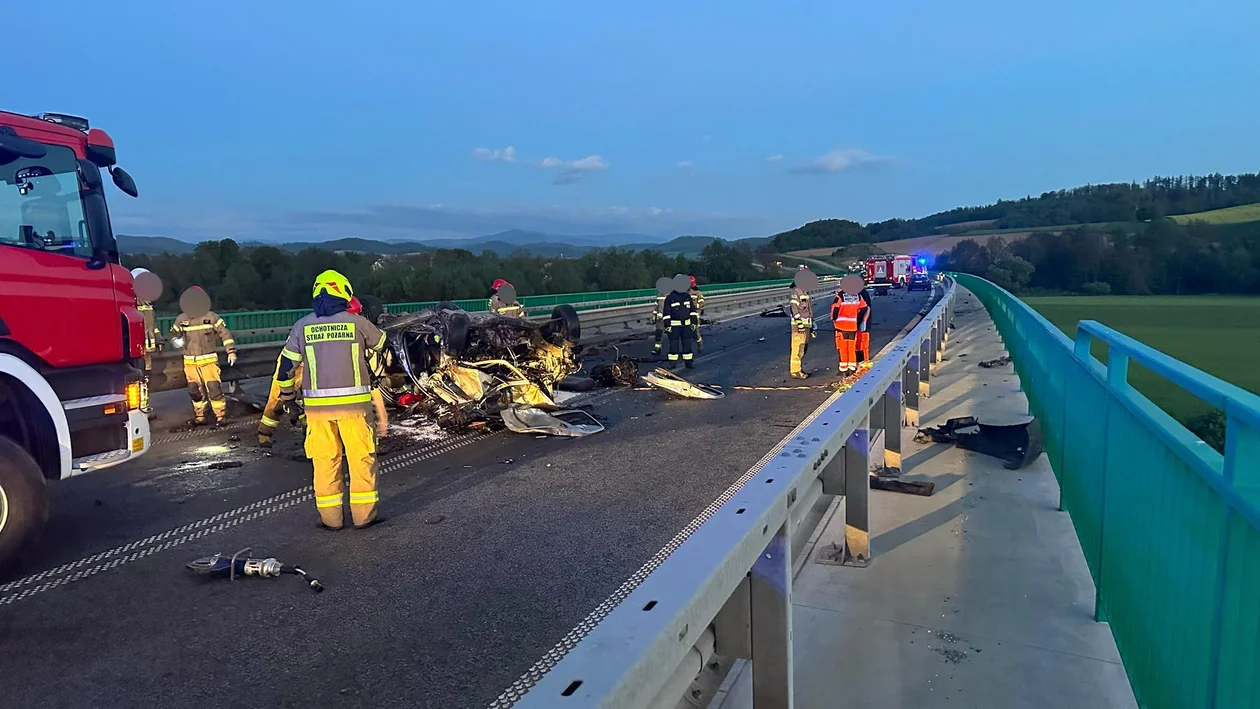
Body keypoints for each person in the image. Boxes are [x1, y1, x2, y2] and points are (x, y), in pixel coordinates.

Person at [276, 271, 388, 530]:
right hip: (355, 410)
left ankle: (331, 520)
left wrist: (288, 398)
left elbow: (285, 368)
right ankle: (364, 517)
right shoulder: (356, 322)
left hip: (317, 413)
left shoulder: (302, 326)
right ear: (344, 293)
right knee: (361, 460)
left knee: (325, 462)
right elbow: (382, 343)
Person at [170, 286, 236, 426]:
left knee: (214, 389)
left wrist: (231, 351)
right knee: (194, 391)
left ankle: (220, 417)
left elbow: (225, 334)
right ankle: (200, 417)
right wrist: (177, 341)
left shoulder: (211, 317)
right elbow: (173, 337)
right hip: (190, 363)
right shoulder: (181, 319)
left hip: (209, 361)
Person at [663, 274, 697, 368]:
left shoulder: (687, 297)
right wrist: (667, 325)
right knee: (674, 345)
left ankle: (689, 362)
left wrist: (694, 323)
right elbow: (666, 314)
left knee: (687, 344)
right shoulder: (670, 298)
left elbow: (692, 312)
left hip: (686, 326)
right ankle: (672, 363)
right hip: (674, 327)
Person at [789, 269, 817, 379]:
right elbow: (794, 308)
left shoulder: (805, 292)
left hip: (806, 325)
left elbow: (808, 310)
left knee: (803, 348)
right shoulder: (796, 292)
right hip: (799, 326)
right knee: (798, 348)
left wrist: (812, 325)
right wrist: (799, 323)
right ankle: (796, 371)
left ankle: (798, 369)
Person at [651, 276, 671, 355]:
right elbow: (656, 306)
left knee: (672, 335)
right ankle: (657, 349)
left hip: (668, 318)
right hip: (660, 320)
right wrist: (654, 316)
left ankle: (673, 349)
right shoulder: (659, 295)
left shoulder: (670, 295)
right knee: (658, 334)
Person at [688, 275, 706, 351]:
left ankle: (700, 344)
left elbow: (702, 303)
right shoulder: (685, 292)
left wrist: (695, 305)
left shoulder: (698, 293)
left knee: (696, 332)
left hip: (695, 315)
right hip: (687, 315)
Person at [856, 287, 873, 364]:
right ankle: (859, 361)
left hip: (863, 322)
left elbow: (868, 308)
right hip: (855, 323)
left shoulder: (863, 293)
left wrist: (864, 321)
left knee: (864, 343)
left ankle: (866, 361)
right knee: (857, 344)